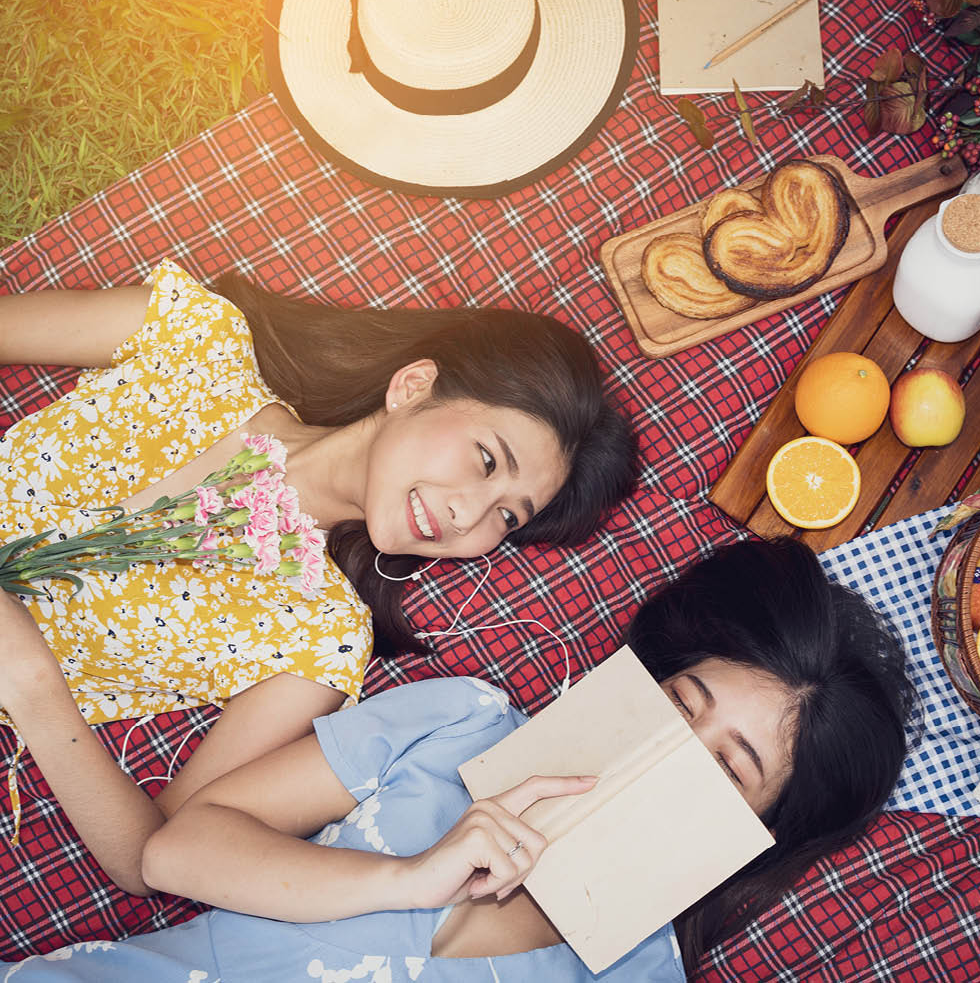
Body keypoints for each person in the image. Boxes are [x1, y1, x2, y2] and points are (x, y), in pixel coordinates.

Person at [0, 259, 636, 897]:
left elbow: (147, 859)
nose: (468, 514)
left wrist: (35, 690)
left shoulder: (318, 636)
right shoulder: (196, 339)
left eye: (507, 515)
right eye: (486, 459)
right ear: (413, 386)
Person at [0, 537, 915, 980]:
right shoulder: (463, 721)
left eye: (726, 768)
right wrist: (406, 877)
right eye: (681, 706)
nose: (665, 754)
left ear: (754, 829)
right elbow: (171, 854)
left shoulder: (638, 974)